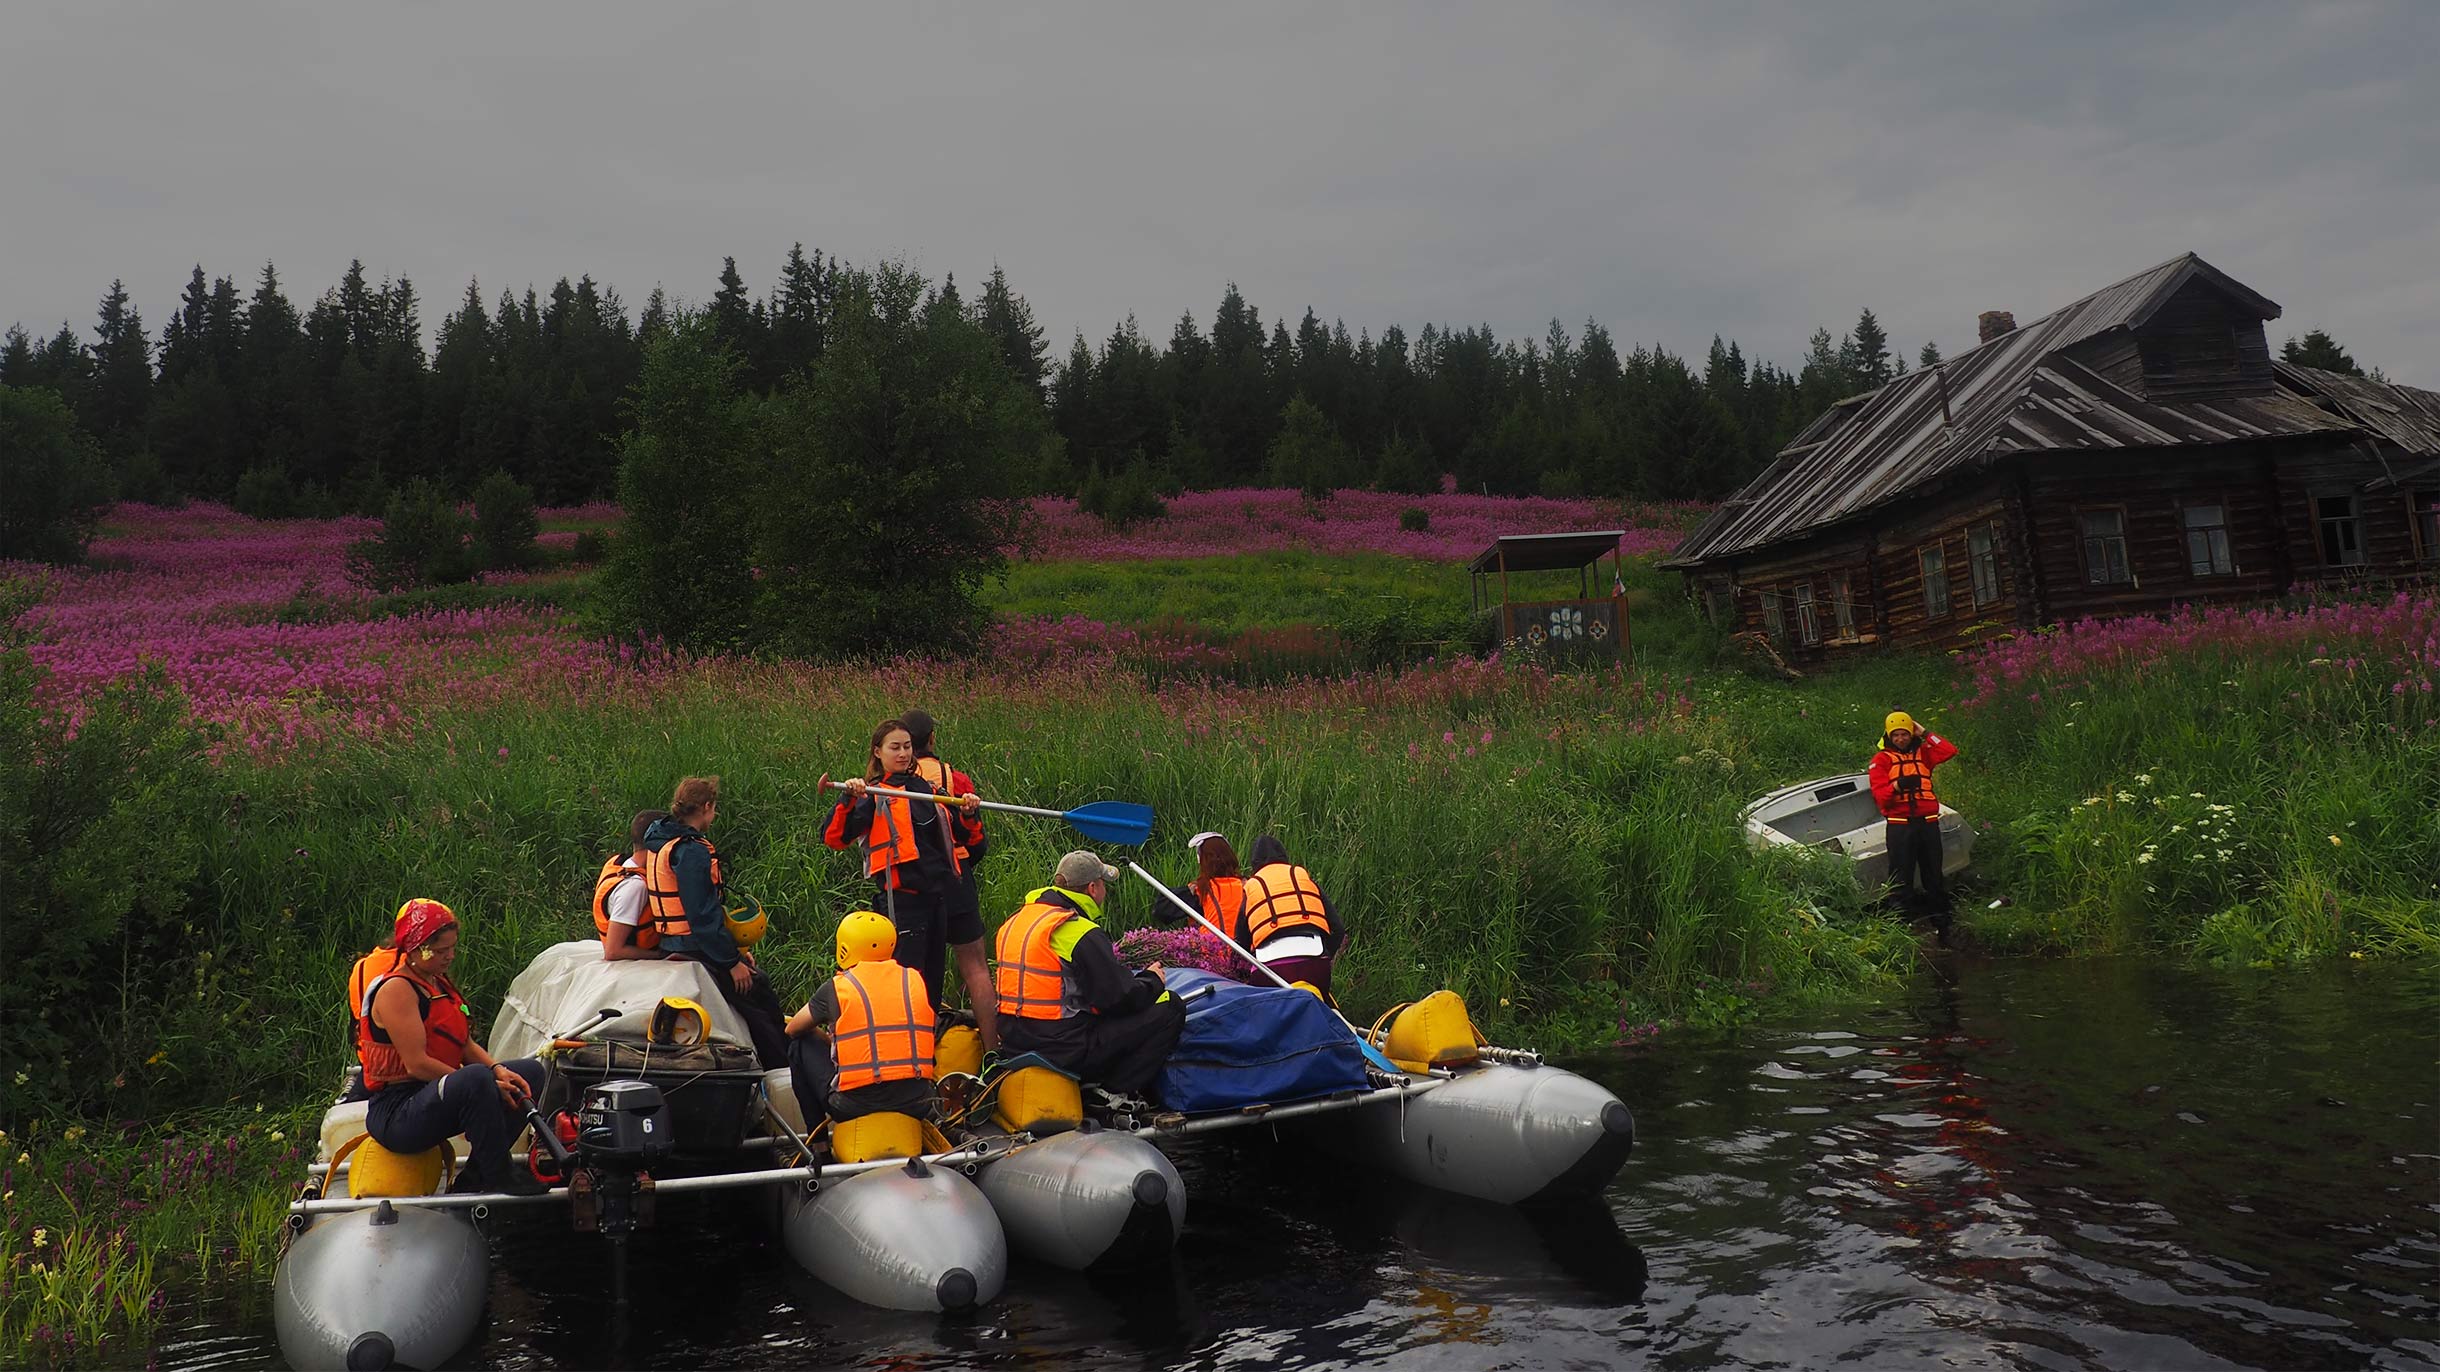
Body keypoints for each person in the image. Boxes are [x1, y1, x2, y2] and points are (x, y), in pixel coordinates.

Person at [359, 899, 548, 1195]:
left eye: (452, 948)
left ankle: (475, 1178)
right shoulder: (397, 990)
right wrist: (481, 1084)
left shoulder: (437, 983)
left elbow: (465, 1044)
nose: (450, 956)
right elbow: (416, 1064)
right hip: (398, 1111)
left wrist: (497, 1070)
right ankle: (499, 1172)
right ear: (416, 947)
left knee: (529, 1072)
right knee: (476, 1078)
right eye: (440, 950)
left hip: (430, 1094)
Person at [819, 719, 983, 1024]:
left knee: (930, 986)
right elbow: (833, 837)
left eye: (907, 746)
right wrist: (849, 797)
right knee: (907, 983)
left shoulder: (927, 791)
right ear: (878, 752)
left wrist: (968, 811)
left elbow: (967, 838)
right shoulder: (872, 794)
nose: (903, 753)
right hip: (903, 904)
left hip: (937, 901)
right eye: (895, 747)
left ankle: (927, 1053)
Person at [993, 851, 1184, 1095]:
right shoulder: (1077, 930)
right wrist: (1152, 981)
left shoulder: (1017, 921)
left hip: (1014, 1044)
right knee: (1171, 1007)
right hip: (1064, 1050)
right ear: (1093, 888)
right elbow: (1118, 999)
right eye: (1103, 885)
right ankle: (1113, 1094)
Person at [642, 777, 790, 1067]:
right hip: (693, 944)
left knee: (752, 979)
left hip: (672, 939)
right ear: (707, 807)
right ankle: (781, 1066)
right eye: (714, 809)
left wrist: (737, 951)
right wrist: (731, 962)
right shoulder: (692, 849)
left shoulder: (661, 839)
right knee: (758, 992)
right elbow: (702, 914)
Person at [900, 708, 999, 1051]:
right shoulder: (956, 779)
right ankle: (992, 1050)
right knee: (975, 968)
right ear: (931, 740)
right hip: (956, 879)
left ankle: (919, 1054)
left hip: (912, 888)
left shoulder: (889, 781)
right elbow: (977, 844)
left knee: (916, 975)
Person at [784, 910, 938, 1130]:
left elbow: (793, 1029)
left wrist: (824, 1036)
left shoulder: (837, 987)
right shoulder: (913, 979)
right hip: (919, 1103)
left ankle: (819, 1147)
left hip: (853, 1106)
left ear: (845, 946)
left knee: (798, 1046)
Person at [1869, 710, 1961, 942]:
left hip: (1927, 825)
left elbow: (1949, 750)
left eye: (1905, 734)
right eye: (1896, 735)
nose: (1901, 739)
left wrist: (1925, 732)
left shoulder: (1923, 754)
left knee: (1934, 876)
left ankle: (1943, 925)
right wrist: (1898, 786)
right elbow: (1881, 797)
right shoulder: (1881, 760)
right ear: (1889, 736)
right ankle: (1900, 928)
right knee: (1901, 878)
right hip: (1900, 827)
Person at [1236, 835, 1345, 998]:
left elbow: (1241, 943)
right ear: (1285, 858)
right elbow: (1338, 929)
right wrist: (1326, 955)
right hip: (1315, 964)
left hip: (1270, 970)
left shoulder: (1253, 886)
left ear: (1254, 864)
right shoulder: (1301, 877)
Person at [595, 809, 670, 962]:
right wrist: (661, 956)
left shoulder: (622, 864)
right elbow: (613, 951)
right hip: (627, 964)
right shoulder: (634, 887)